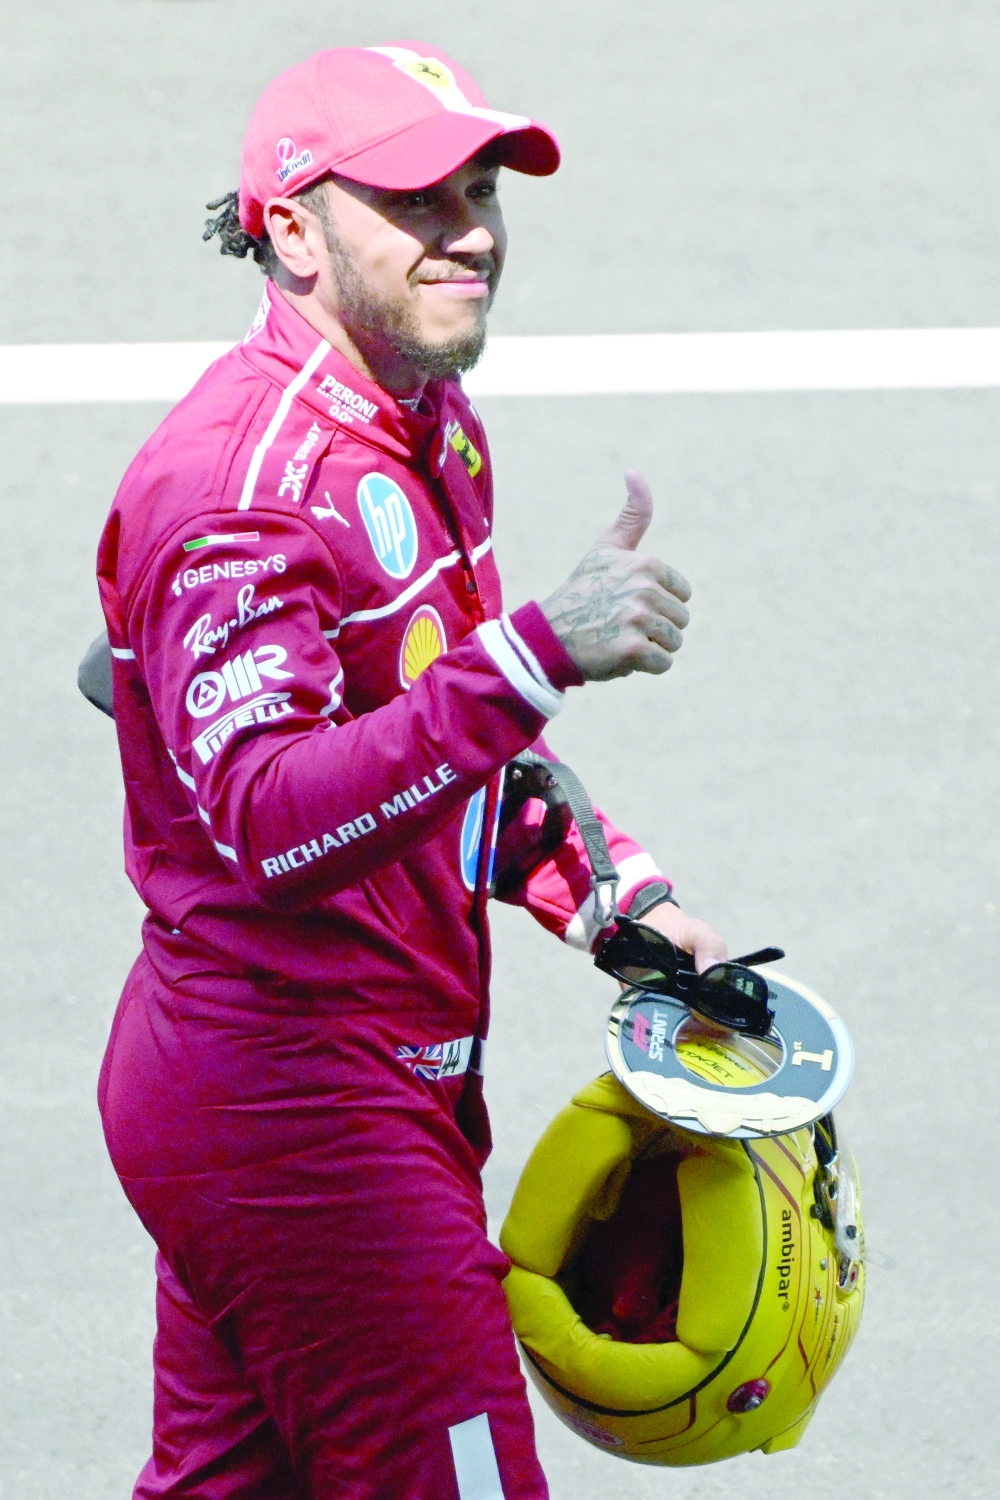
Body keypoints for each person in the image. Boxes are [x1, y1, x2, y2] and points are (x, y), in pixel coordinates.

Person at [95, 41, 728, 1500]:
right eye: (417, 201)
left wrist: (611, 896)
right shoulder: (240, 493)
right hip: (296, 1113)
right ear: (295, 231)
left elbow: (426, 740)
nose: (474, 233)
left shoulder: (425, 422)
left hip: (311, 1086)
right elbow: (273, 820)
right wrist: (535, 655)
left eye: (480, 189)